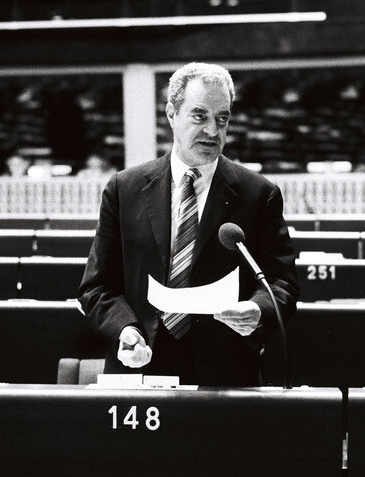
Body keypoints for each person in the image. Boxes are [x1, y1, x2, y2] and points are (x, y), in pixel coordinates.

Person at [78, 62, 298, 386]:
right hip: (140, 366)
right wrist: (126, 330)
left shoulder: (258, 194)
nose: (213, 130)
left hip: (224, 372)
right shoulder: (124, 189)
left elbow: (281, 283)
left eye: (222, 118)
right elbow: (96, 287)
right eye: (200, 115)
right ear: (172, 114)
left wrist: (257, 310)